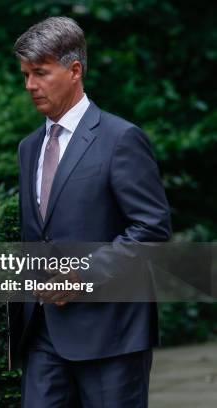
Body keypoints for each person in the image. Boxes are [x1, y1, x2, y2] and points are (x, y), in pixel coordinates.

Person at [10, 17, 171, 407]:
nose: (30, 85)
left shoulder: (121, 139)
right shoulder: (28, 147)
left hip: (111, 335)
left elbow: (151, 228)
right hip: (42, 333)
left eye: (41, 73)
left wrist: (83, 276)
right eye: (26, 74)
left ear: (75, 69)